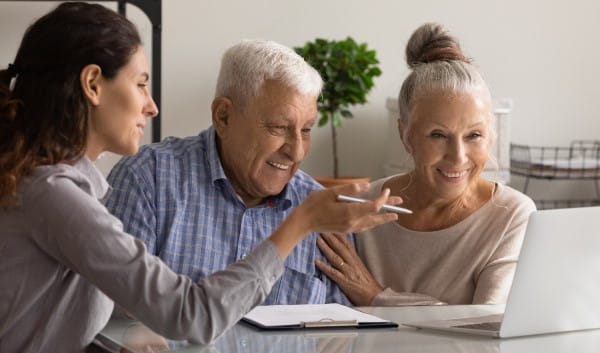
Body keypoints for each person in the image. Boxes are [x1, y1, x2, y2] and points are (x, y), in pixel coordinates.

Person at [0, 3, 400, 352]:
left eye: (307, 129)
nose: (152, 106)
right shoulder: (57, 195)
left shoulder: (60, 190)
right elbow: (189, 316)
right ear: (92, 85)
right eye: (140, 84)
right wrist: (300, 223)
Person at [105, 39, 352, 305]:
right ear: (223, 117)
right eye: (279, 127)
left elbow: (338, 336)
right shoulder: (147, 179)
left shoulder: (320, 209)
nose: (297, 152)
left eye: (305, 130)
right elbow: (119, 314)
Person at [315, 23, 536, 306]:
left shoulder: (512, 215)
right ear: (404, 135)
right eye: (438, 135)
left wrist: (377, 297)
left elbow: (485, 326)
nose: (458, 156)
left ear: (491, 135)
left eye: (474, 135)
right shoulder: (362, 208)